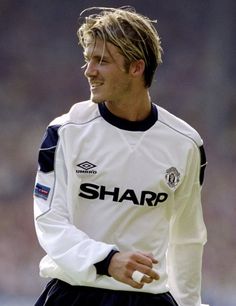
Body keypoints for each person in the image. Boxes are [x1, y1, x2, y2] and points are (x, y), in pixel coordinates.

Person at [33, 6, 208, 306]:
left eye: (101, 61)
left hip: (148, 299)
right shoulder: (65, 132)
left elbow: (187, 237)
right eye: (88, 59)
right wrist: (106, 260)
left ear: (136, 68)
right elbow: (50, 220)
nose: (89, 70)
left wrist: (189, 303)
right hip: (73, 295)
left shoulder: (186, 143)